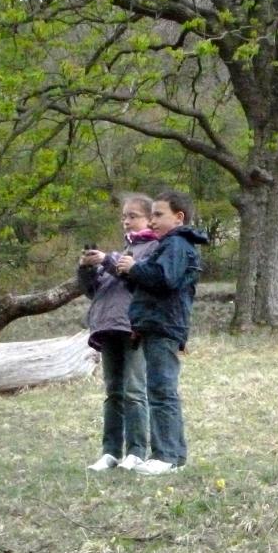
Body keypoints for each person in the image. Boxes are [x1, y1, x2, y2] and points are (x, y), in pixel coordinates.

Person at [115, 190, 208, 476]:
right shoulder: (168, 245)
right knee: (159, 390)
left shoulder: (177, 244)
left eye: (158, 214)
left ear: (178, 217)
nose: (152, 221)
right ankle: (171, 455)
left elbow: (164, 279)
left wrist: (136, 268)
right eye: (152, 214)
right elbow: (150, 284)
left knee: (162, 391)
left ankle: (166, 455)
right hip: (155, 324)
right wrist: (130, 274)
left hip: (164, 325)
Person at [78, 194, 159, 472]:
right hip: (108, 326)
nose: (126, 221)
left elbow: (141, 278)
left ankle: (136, 451)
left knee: (135, 390)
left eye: (133, 216)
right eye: (124, 216)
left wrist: (107, 260)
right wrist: (87, 269)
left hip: (134, 327)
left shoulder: (153, 249)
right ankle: (110, 452)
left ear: (150, 218)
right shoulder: (122, 251)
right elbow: (94, 290)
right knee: (113, 392)